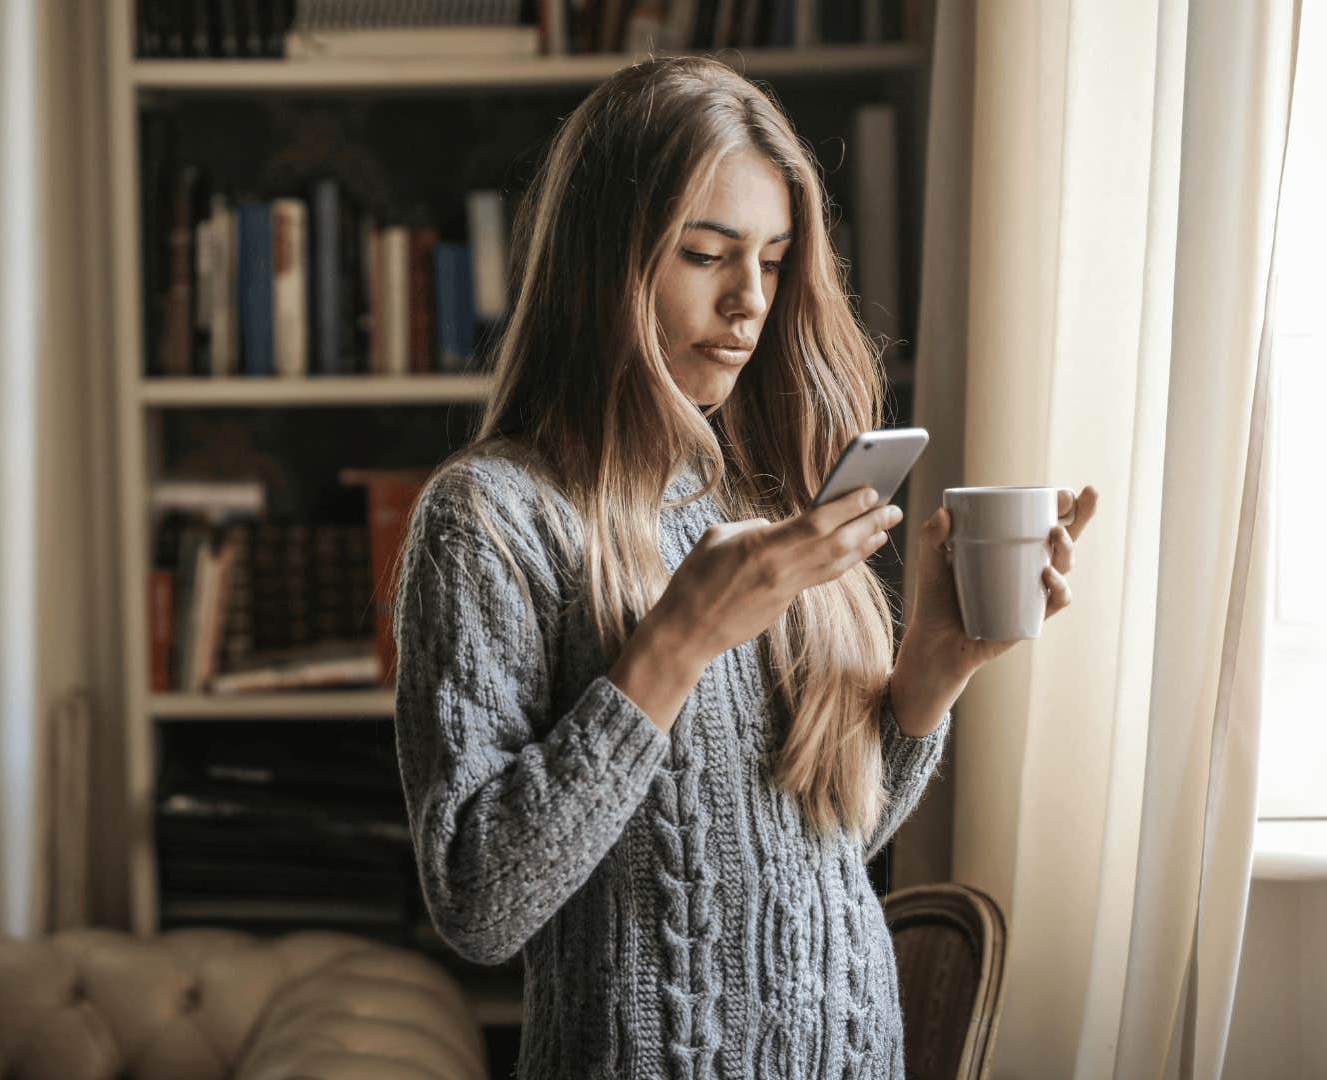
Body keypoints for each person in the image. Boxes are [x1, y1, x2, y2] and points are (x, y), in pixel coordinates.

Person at [390, 56, 1099, 1079]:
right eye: (707, 253)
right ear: (606, 264)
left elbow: (815, 851)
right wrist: (676, 644)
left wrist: (926, 682)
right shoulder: (489, 519)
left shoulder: (761, 499)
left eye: (772, 260)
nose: (748, 302)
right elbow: (482, 902)